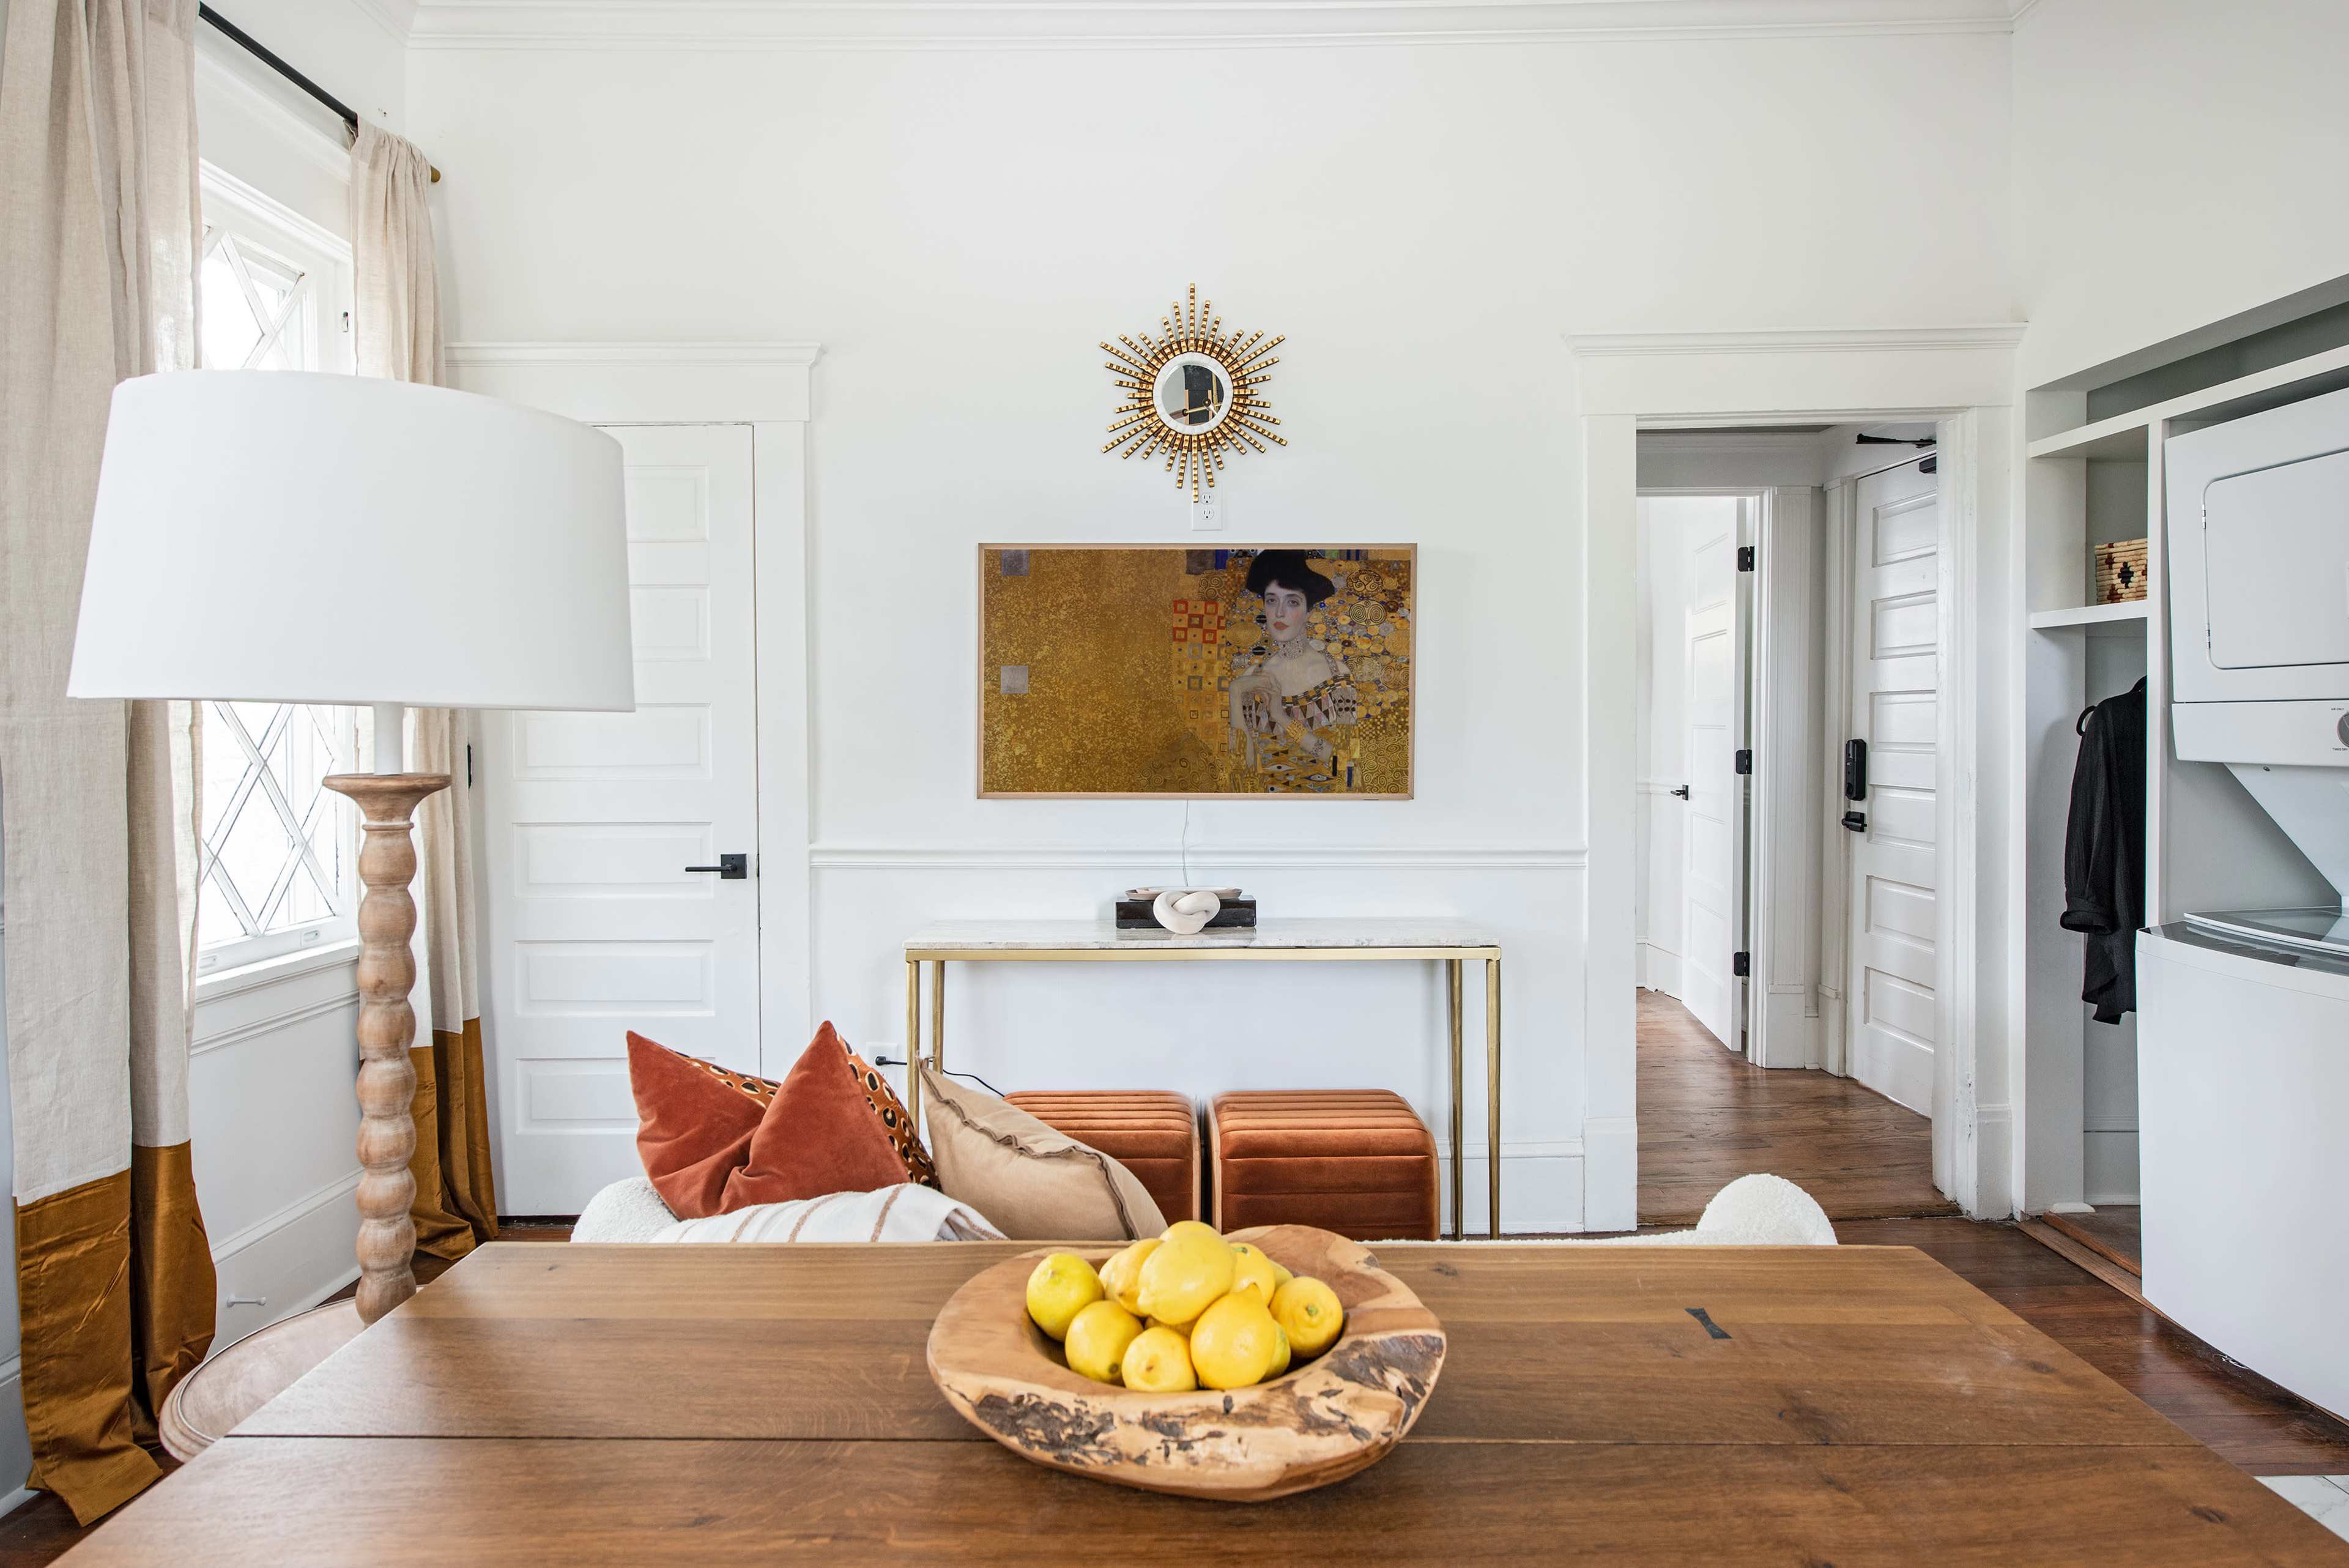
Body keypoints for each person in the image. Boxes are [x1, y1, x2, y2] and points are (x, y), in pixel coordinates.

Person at [1228, 550, 1359, 770]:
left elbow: (1348, 767)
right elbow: (1242, 767)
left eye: (1292, 602)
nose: (1279, 613)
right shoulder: (1251, 679)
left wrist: (1282, 717)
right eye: (1272, 601)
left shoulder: (1337, 675)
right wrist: (1234, 692)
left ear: (1309, 612)